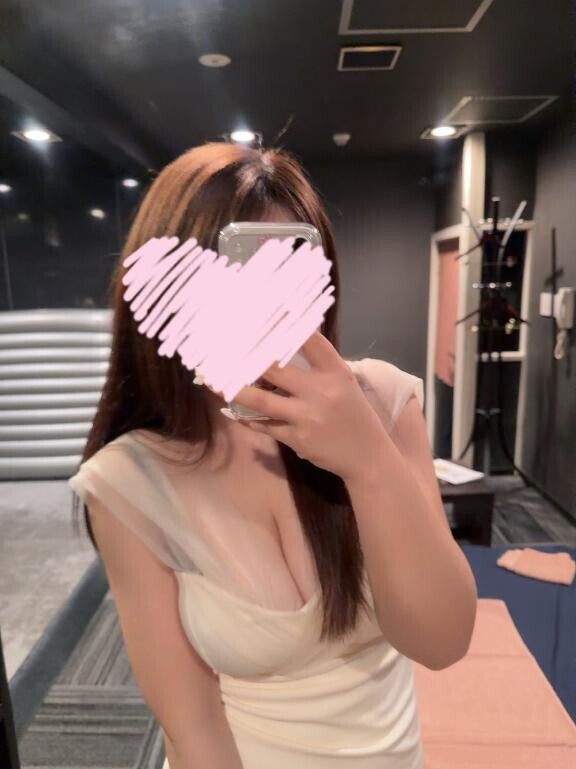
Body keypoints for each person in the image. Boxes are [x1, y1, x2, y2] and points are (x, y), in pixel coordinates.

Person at [69, 142, 467, 768]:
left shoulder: (386, 404)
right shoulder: (128, 482)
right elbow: (193, 729)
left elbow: (441, 641)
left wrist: (369, 461)